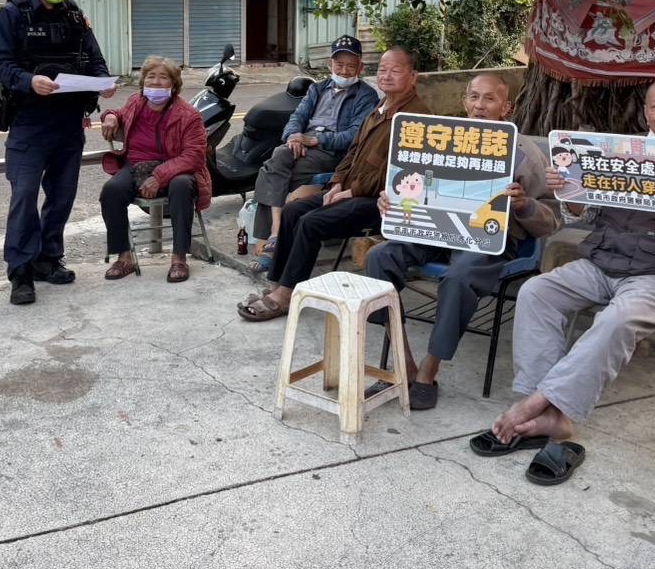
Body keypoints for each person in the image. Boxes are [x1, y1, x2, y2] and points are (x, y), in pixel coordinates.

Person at [471, 77, 655, 485]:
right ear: (645, 112)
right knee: (537, 291)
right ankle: (547, 416)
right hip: (604, 260)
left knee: (618, 317)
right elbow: (587, 213)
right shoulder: (620, 153)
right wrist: (571, 192)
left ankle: (537, 404)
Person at [364, 73, 562, 409]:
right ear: (464, 101)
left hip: (492, 237)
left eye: (489, 99)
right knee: (378, 258)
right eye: (474, 97)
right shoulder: (439, 139)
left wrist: (525, 205)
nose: (479, 105)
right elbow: (411, 188)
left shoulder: (524, 153)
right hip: (436, 229)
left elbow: (551, 219)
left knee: (458, 276)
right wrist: (391, 200)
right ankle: (403, 360)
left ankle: (428, 370)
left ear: (506, 107)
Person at [238, 47, 430, 322]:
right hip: (349, 190)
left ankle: (286, 295)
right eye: (383, 70)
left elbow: (398, 176)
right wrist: (338, 183)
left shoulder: (416, 118)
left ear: (413, 77)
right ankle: (281, 284)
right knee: (293, 211)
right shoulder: (380, 108)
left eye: (395, 71)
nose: (387, 76)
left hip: (379, 202)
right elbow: (353, 151)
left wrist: (352, 190)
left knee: (311, 222)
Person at [0, 0, 115, 306]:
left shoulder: (74, 16)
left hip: (68, 121)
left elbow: (94, 58)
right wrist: (28, 81)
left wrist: (103, 82)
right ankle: (21, 271)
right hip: (30, 122)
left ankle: (48, 258)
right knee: (24, 195)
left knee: (62, 196)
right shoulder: (11, 14)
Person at [250, 35, 379, 271]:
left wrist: (316, 140)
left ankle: (273, 236)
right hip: (303, 146)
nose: (344, 71)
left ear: (360, 67)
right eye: (339, 64)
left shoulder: (366, 96)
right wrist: (293, 137)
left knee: (271, 169)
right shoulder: (317, 89)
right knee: (280, 155)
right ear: (330, 64)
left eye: (351, 66)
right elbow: (297, 117)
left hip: (330, 152)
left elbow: (354, 135)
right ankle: (276, 234)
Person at [98, 57, 212, 283]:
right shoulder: (136, 101)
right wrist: (109, 116)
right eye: (151, 77)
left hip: (176, 168)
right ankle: (125, 258)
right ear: (143, 82)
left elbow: (194, 156)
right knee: (111, 191)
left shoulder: (188, 115)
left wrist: (159, 176)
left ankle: (179, 258)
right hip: (137, 166)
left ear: (174, 84)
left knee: (181, 187)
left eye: (163, 77)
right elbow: (119, 113)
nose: (156, 82)